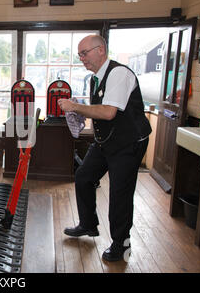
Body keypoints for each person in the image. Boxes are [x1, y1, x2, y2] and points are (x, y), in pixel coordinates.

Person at [58, 35, 151, 262]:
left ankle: (120, 244)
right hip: (106, 140)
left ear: (101, 50)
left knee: (120, 192)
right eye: (79, 54)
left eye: (84, 53)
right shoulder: (96, 79)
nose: (81, 59)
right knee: (83, 176)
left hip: (129, 142)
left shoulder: (119, 74)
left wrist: (75, 107)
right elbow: (101, 111)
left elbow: (109, 112)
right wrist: (79, 112)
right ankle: (88, 224)